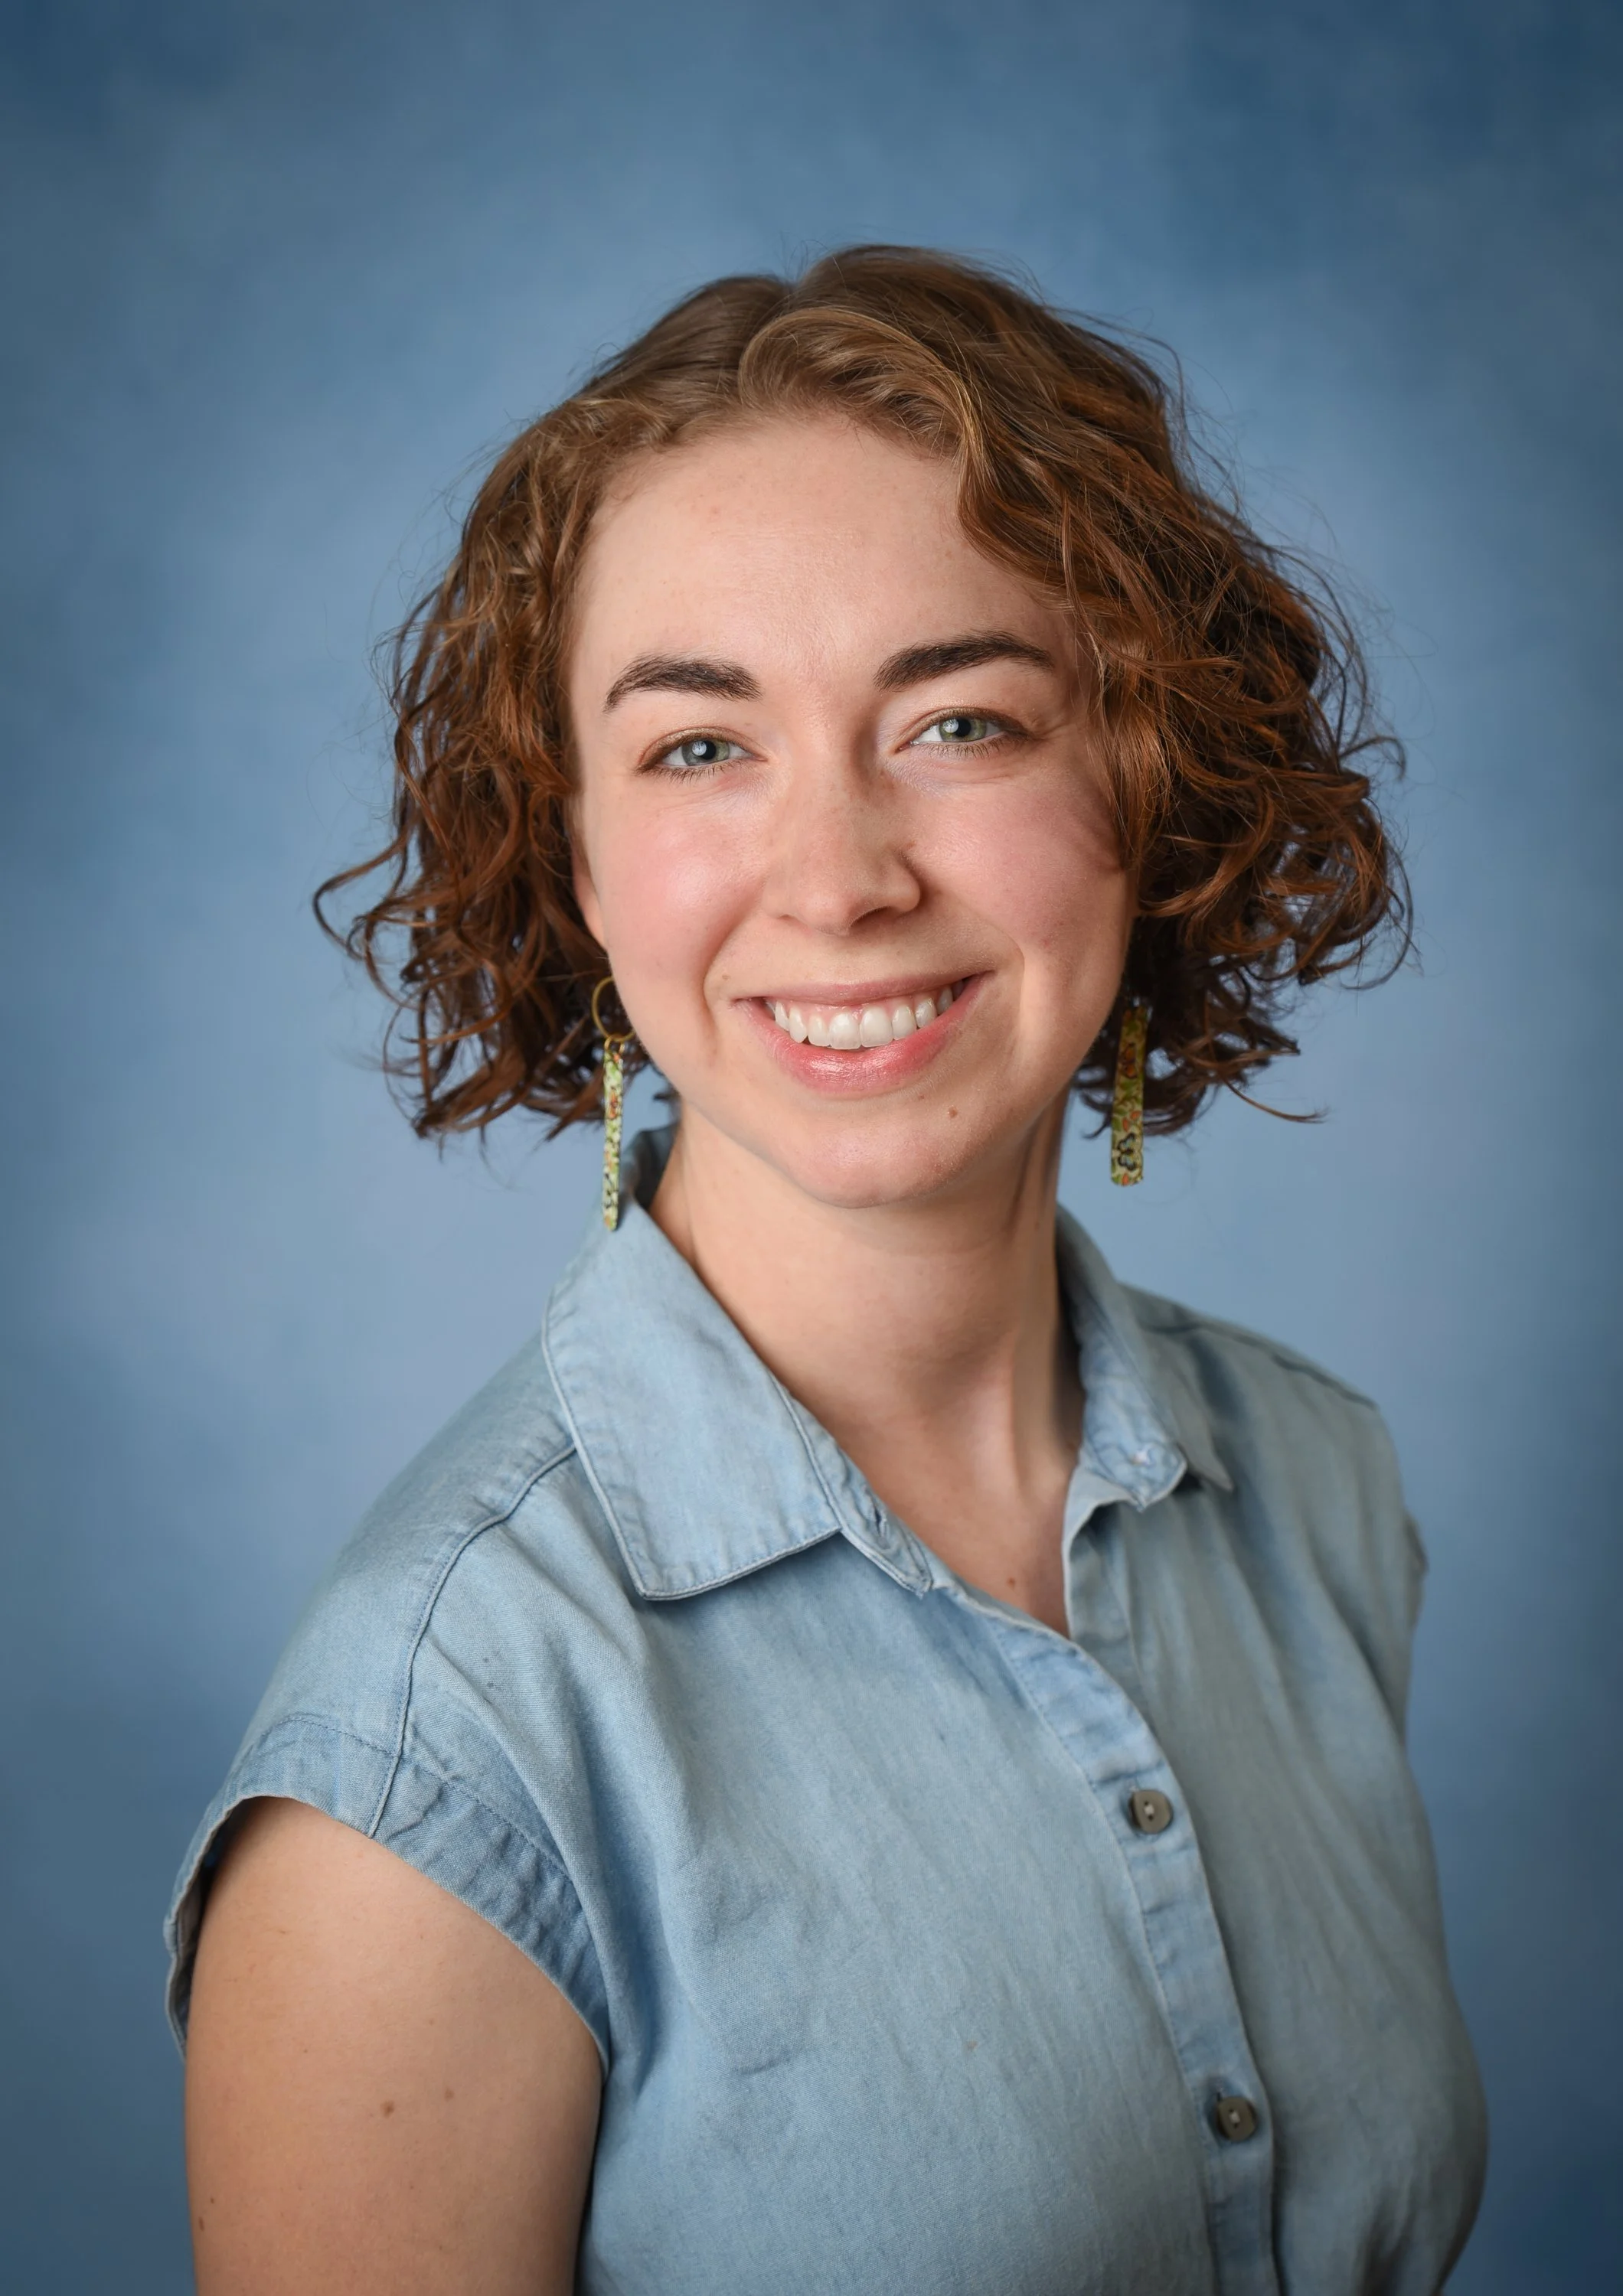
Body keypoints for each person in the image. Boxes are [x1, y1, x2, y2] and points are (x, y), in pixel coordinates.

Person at [169, 246, 1487, 2294]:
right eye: (701, 747)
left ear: (1147, 783)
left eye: (960, 719)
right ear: (576, 859)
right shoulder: (432, 1755)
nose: (844, 877)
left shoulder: (1317, 1492)